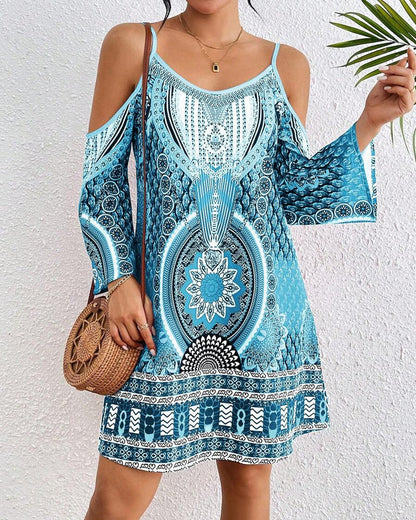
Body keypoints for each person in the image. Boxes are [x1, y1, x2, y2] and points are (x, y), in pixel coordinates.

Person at [79, 1, 416, 519]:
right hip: (156, 318)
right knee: (118, 497)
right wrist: (117, 278)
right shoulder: (133, 46)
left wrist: (369, 121)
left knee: (249, 484)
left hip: (260, 318)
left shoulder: (287, 66)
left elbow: (293, 194)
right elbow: (100, 180)